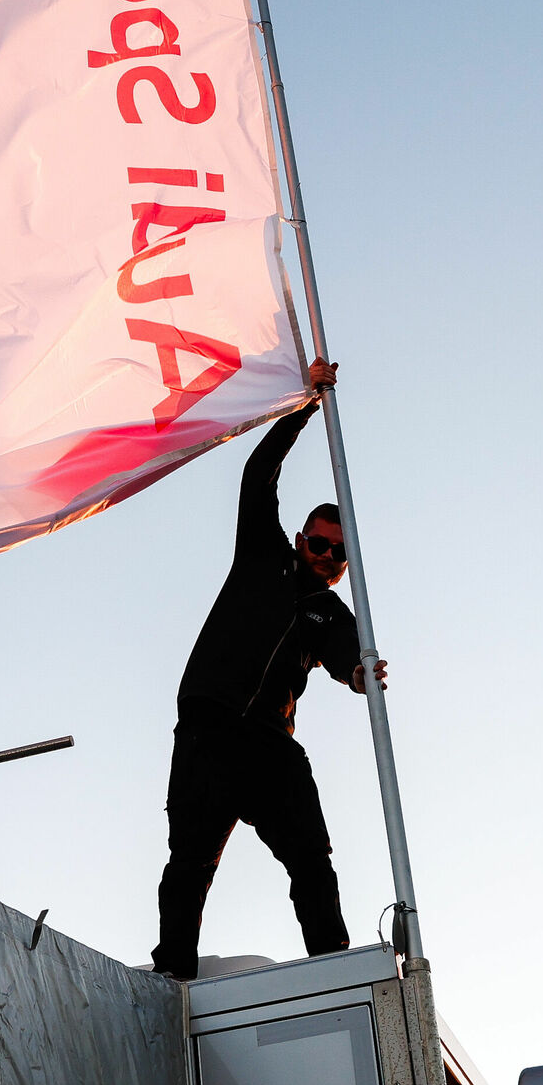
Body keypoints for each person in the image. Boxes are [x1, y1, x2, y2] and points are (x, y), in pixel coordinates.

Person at [149, 359, 386, 980]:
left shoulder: (333, 614)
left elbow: (346, 661)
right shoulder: (261, 554)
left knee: (312, 856)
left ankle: (332, 964)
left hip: (268, 744)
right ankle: (173, 969)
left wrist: (361, 677)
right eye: (319, 542)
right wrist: (303, 407)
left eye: (338, 552)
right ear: (302, 538)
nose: (327, 555)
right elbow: (259, 474)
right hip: (209, 726)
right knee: (192, 861)